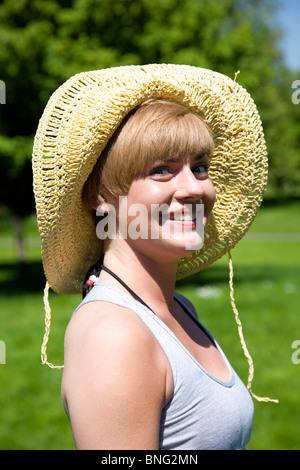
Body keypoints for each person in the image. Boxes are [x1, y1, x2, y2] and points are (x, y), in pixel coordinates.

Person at [32, 64, 276, 451]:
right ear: (100, 196)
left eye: (199, 167)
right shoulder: (114, 336)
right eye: (161, 170)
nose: (193, 188)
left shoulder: (180, 308)